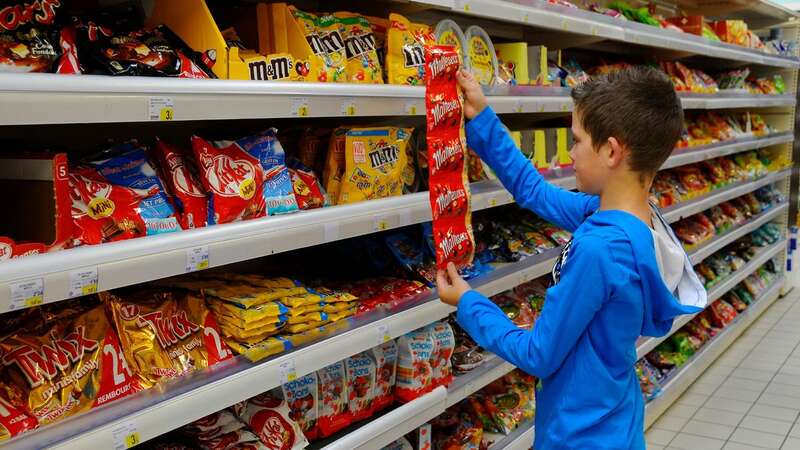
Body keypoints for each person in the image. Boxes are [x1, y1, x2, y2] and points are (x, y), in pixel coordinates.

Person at [436, 66, 708, 449]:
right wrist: (482, 117)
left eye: (577, 140)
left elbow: (538, 354)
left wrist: (468, 303)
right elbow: (536, 193)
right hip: (615, 422)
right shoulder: (631, 220)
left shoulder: (599, 249)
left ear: (611, 151)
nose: (569, 151)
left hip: (576, 437)